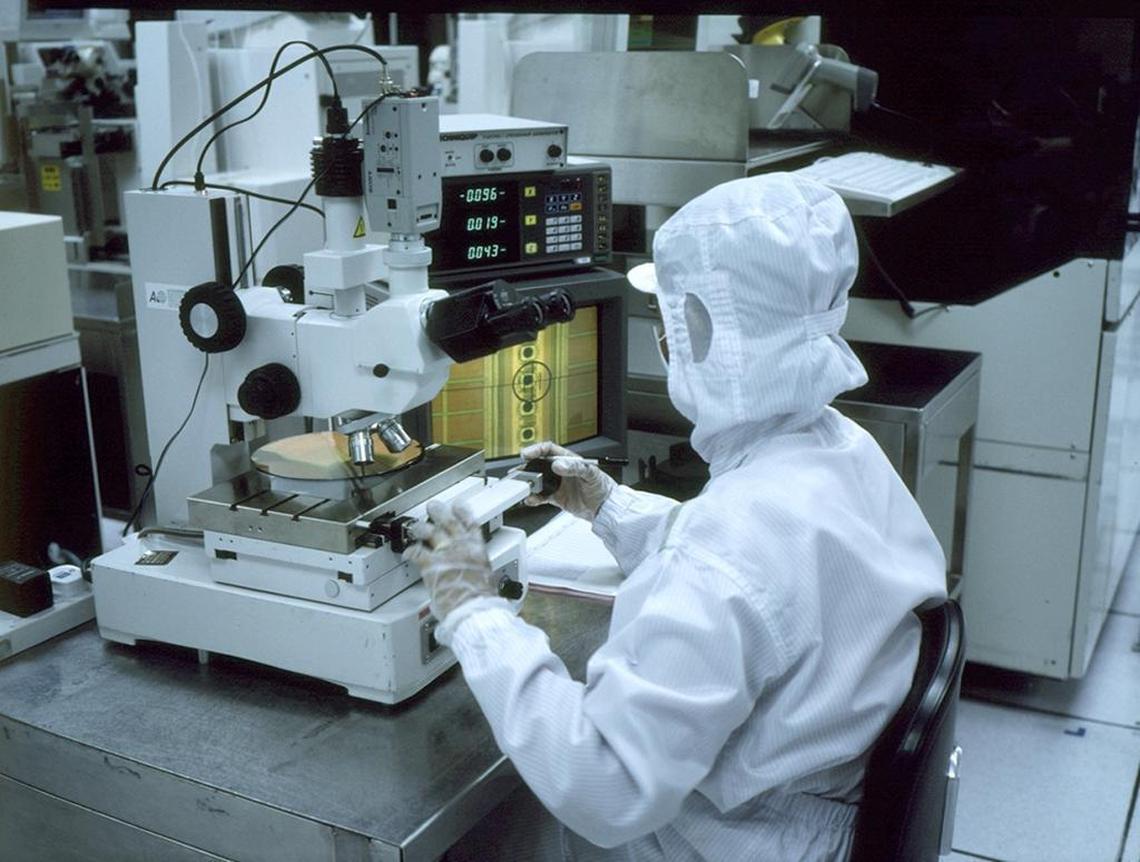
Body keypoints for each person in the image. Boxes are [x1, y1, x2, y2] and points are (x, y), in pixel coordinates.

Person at [405, 173, 948, 861]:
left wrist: (473, 612)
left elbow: (606, 787)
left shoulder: (730, 545)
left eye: (669, 318)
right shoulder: (842, 446)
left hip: (750, 840)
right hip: (818, 812)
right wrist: (607, 506)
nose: (663, 337)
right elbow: (777, 584)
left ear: (707, 332)